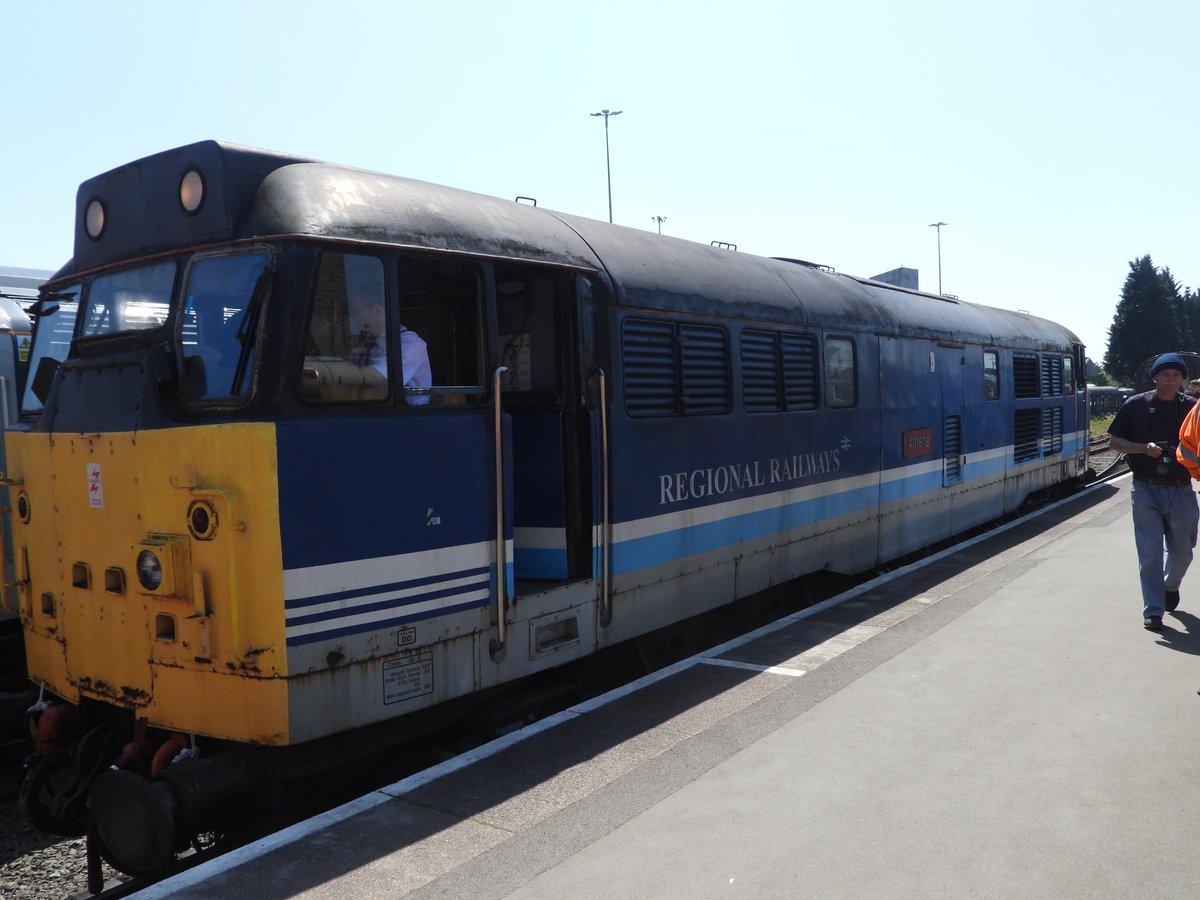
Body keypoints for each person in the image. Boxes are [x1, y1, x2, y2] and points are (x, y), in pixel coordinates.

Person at [1108, 352, 1199, 631]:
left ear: (1182, 379)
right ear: (1155, 378)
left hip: (1182, 487)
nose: (1170, 380)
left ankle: (1170, 585)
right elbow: (1114, 442)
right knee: (1149, 553)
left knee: (1183, 551)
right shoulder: (1135, 405)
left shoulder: (1193, 407)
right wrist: (1142, 448)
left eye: (1176, 375)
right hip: (1145, 488)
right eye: (1165, 375)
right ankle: (1154, 610)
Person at [348, 295, 432, 404]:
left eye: (358, 312)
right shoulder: (370, 344)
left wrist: (323, 371)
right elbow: (350, 367)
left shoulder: (411, 345)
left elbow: (378, 377)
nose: (355, 319)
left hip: (407, 416)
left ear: (377, 311)